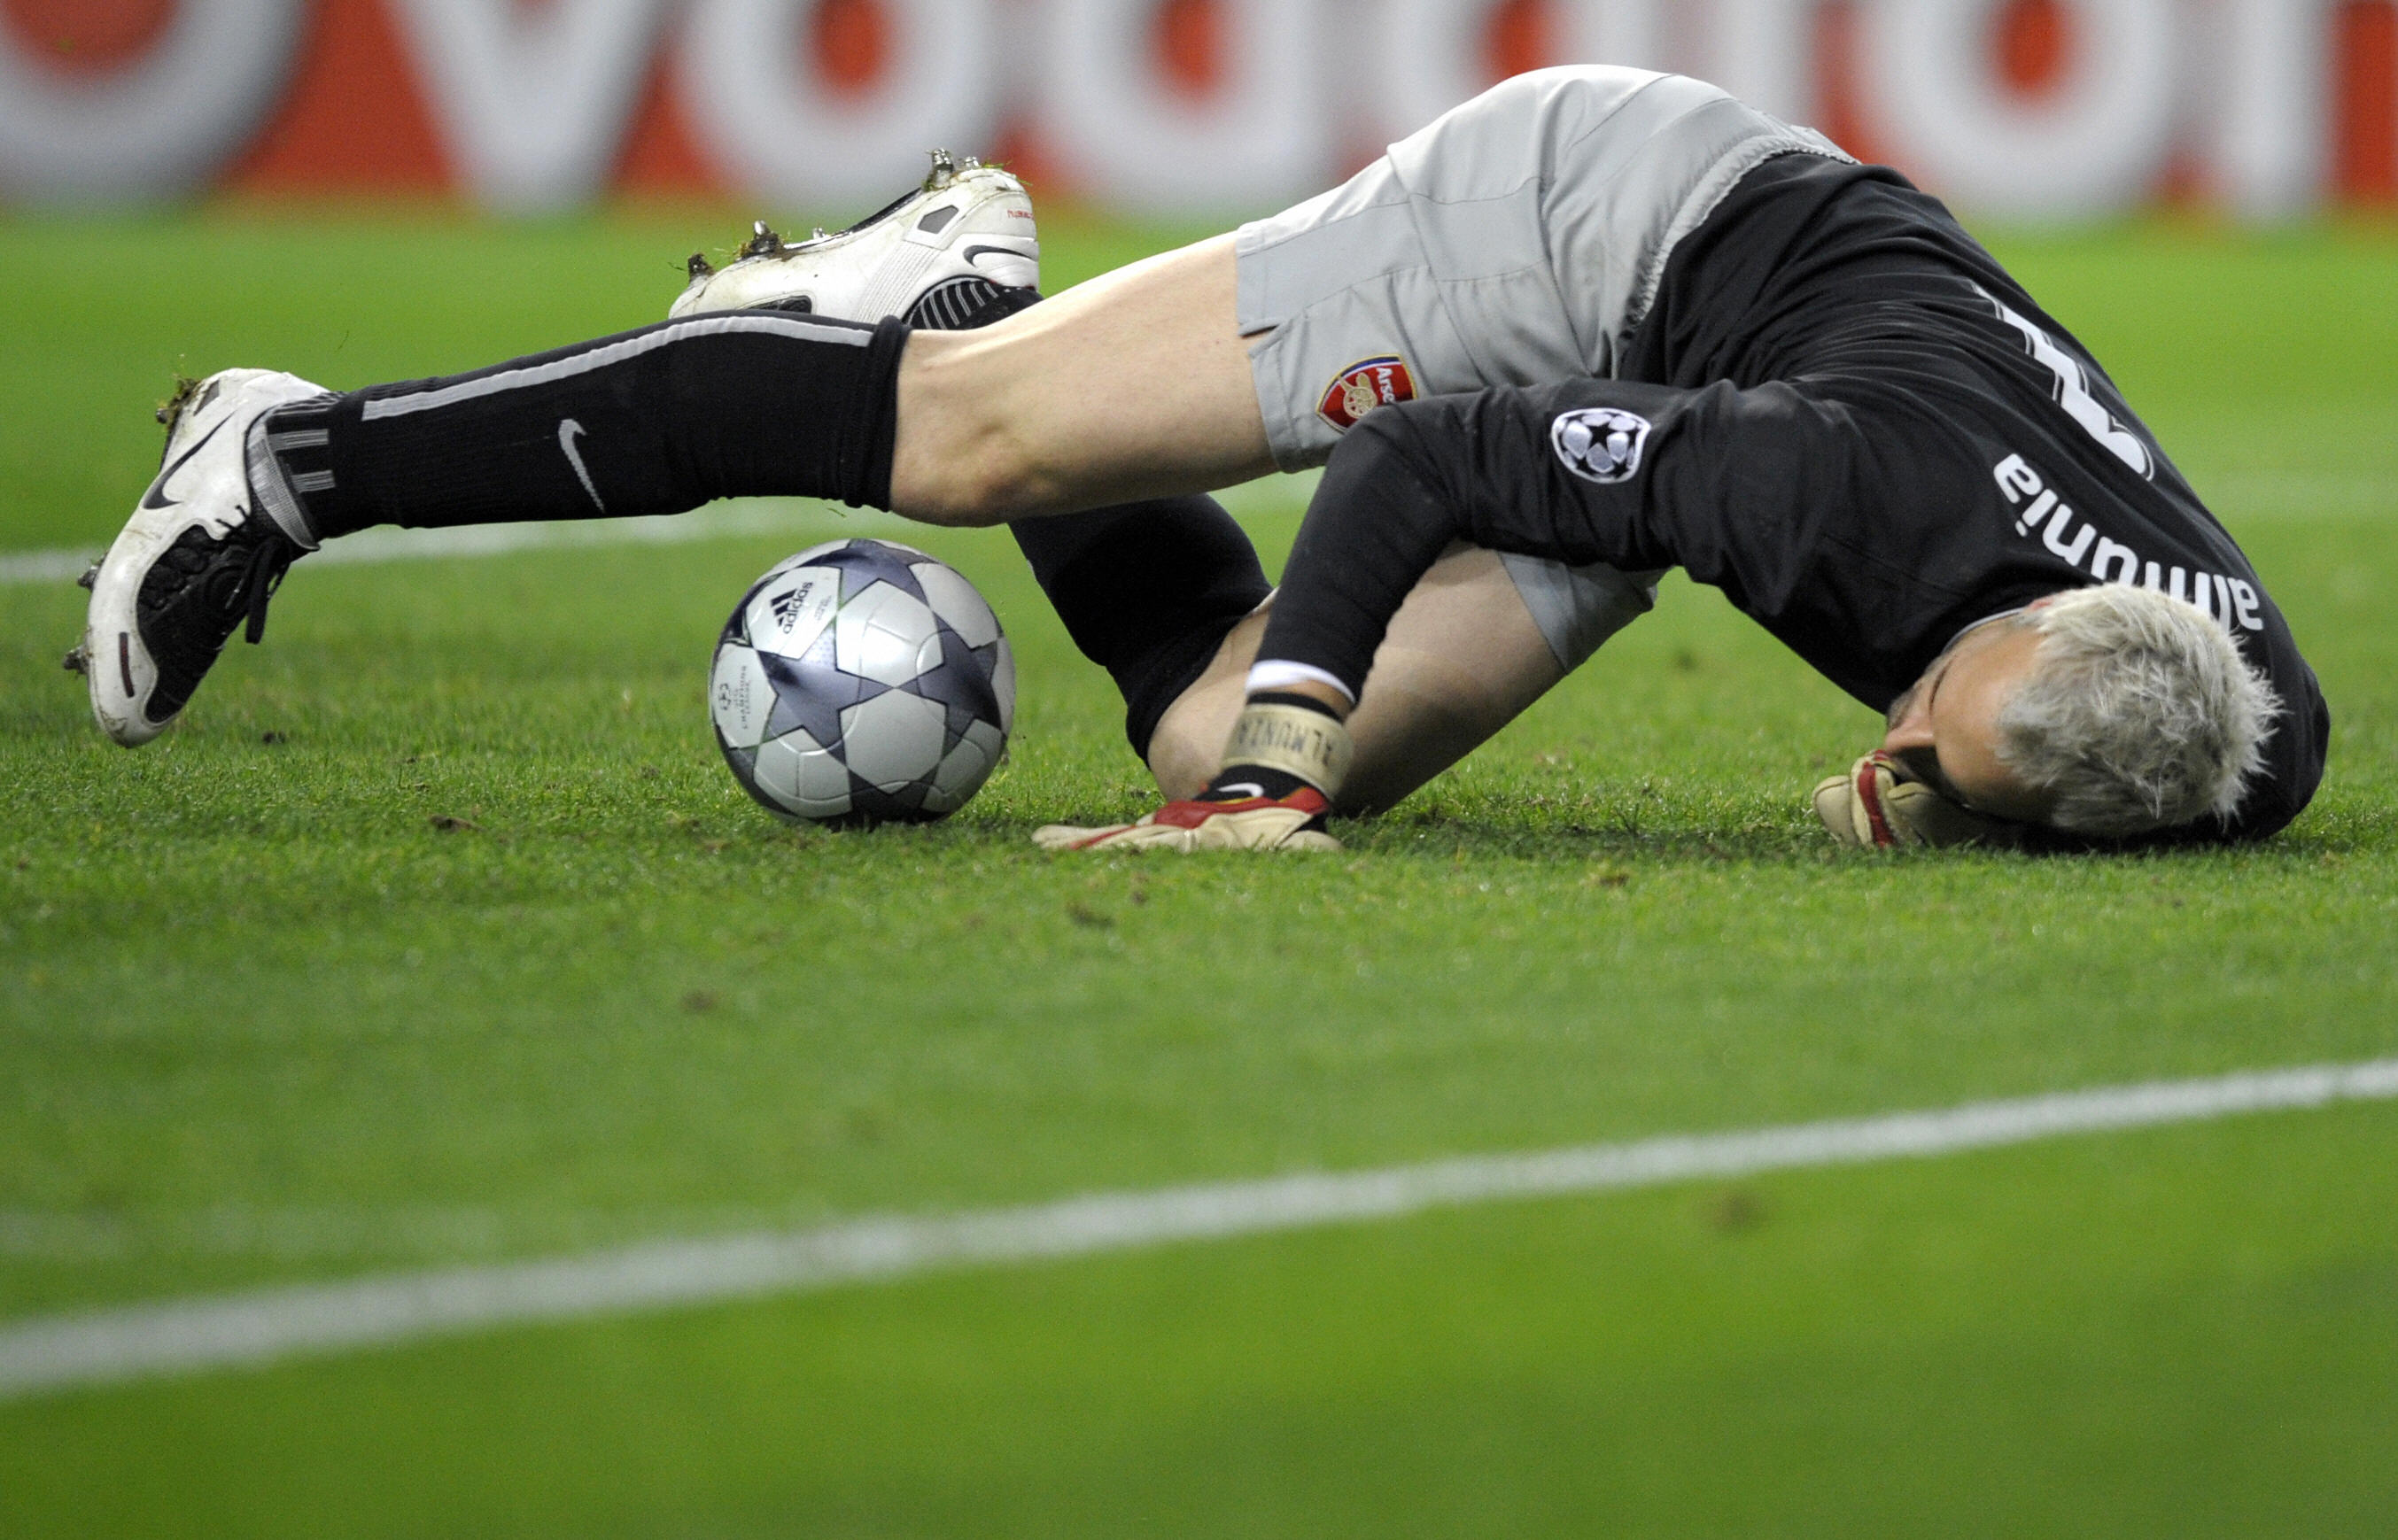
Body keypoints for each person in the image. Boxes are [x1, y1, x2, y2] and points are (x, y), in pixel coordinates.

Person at [73, 67, 2324, 852]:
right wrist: (1275, 786)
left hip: (1708, 395)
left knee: (1193, 711)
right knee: (962, 459)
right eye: (1916, 737)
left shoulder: (2241, 728)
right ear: (1986, 624)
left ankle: (958, 293)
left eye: (1942, 796)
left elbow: (2103, 739)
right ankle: (290, 464)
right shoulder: (1827, 503)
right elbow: (1432, 465)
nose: (1885, 771)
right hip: (1593, 228)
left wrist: (1246, 760)